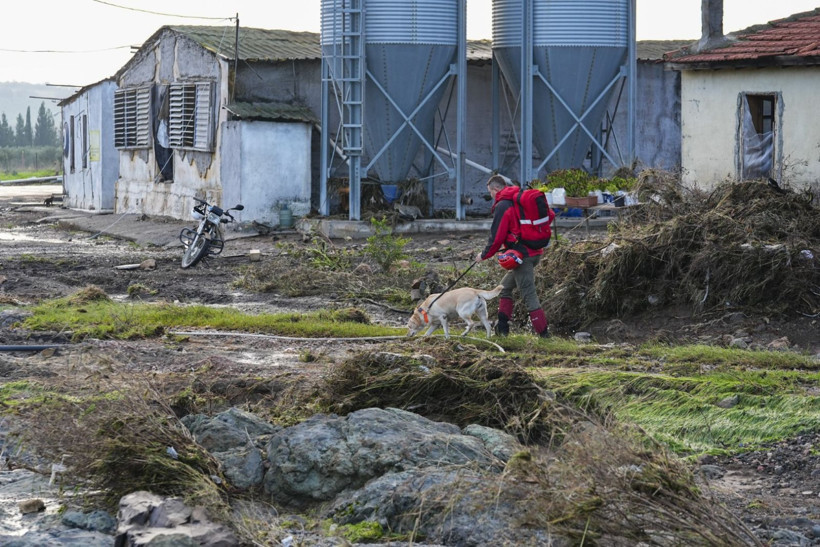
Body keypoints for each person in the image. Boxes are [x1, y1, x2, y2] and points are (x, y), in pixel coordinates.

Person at [476, 174, 550, 337]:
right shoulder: (519, 199)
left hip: (522, 256)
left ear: (495, 189)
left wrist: (484, 255)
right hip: (535, 252)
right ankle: (502, 330)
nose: (491, 196)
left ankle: (545, 335)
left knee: (528, 294)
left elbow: (497, 237)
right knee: (504, 288)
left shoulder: (503, 205)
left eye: (490, 192)